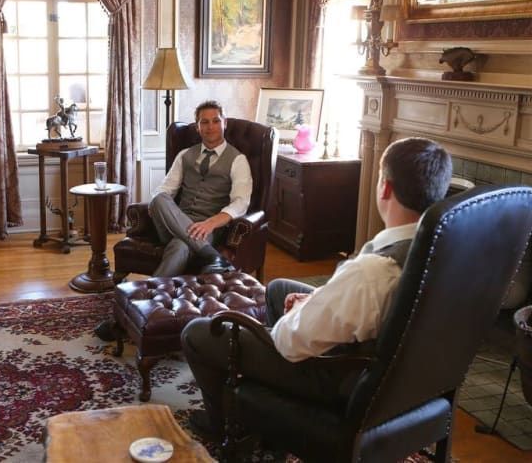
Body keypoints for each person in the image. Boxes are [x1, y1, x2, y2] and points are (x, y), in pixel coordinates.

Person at [181, 137, 452, 439]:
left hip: (335, 378)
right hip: (388, 373)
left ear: (385, 188)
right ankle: (267, 404)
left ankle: (222, 422)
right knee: (278, 289)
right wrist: (315, 301)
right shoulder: (438, 249)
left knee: (196, 332)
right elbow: (363, 306)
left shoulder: (373, 271)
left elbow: (287, 341)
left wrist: (300, 314)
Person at [148, 100, 253, 276]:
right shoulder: (184, 155)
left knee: (180, 245)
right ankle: (213, 257)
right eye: (204, 122)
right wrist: (159, 207)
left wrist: (211, 223)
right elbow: (165, 189)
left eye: (216, 121)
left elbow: (241, 202)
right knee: (159, 198)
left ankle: (148, 294)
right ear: (197, 127)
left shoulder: (238, 160)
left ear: (224, 123)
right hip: (174, 224)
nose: (210, 127)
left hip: (209, 228)